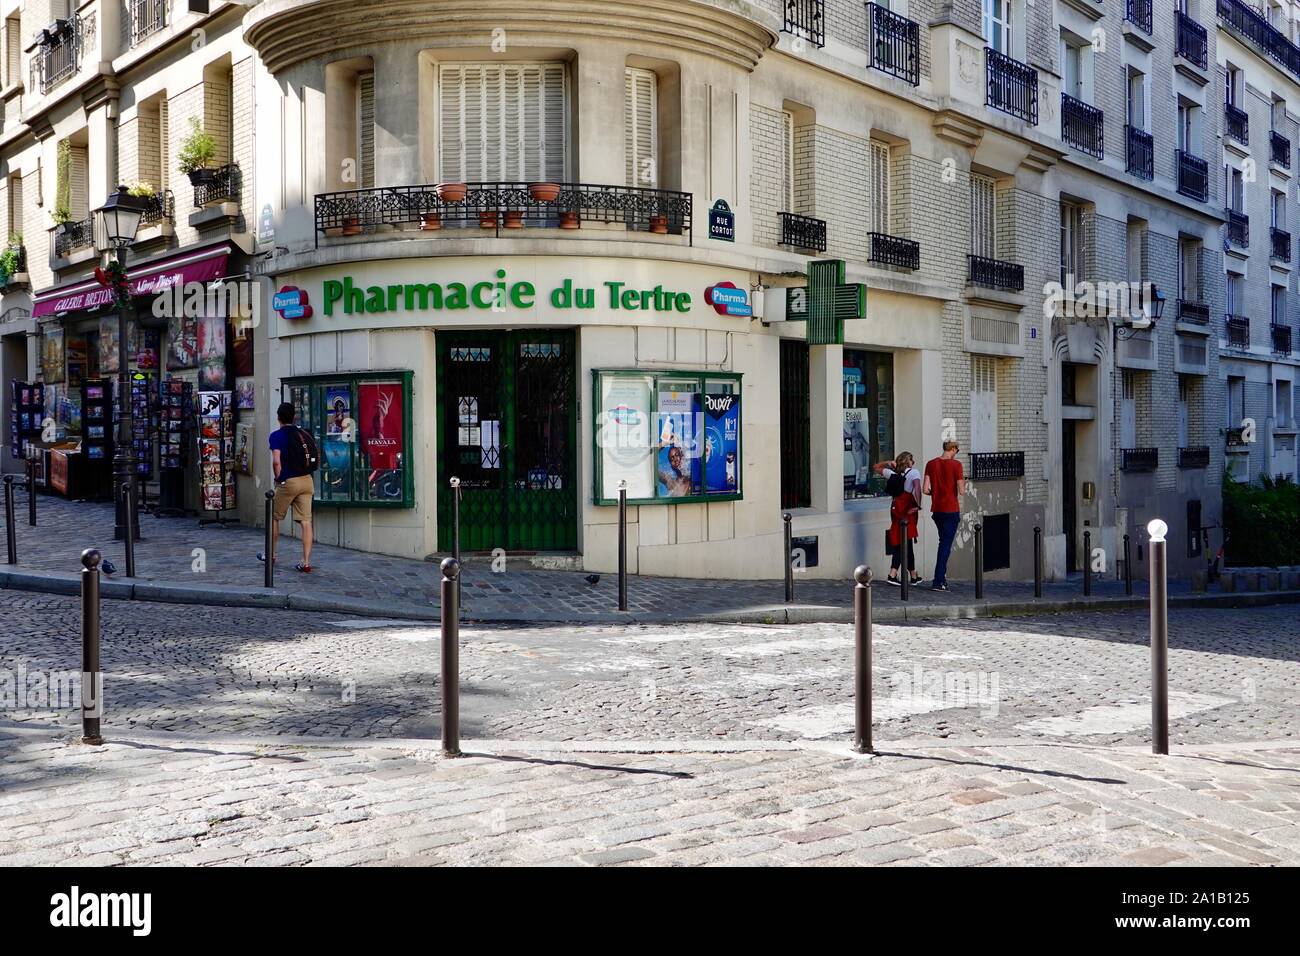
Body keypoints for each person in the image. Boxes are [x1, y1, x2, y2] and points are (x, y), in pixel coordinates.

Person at [259, 402, 315, 573]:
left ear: (279, 417)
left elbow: (276, 461)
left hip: (289, 481)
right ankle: (305, 562)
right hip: (307, 480)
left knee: (274, 517)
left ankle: (271, 554)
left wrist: (278, 477)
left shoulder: (277, 436)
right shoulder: (303, 433)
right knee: (306, 522)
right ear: (293, 417)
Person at [874, 453, 923, 587]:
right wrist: (918, 505)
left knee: (903, 541)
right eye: (912, 459)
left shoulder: (892, 474)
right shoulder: (914, 473)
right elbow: (917, 488)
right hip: (907, 510)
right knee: (905, 542)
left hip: (896, 509)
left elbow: (876, 467)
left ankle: (912, 574)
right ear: (908, 462)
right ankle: (893, 574)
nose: (914, 461)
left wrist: (888, 462)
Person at [923, 440, 966, 591]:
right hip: (951, 509)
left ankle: (942, 577)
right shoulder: (956, 465)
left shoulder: (931, 464)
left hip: (937, 510)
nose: (956, 453)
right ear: (953, 449)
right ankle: (938, 580)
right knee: (945, 546)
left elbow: (925, 489)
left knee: (943, 543)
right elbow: (961, 491)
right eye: (957, 450)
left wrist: (937, 493)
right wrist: (962, 482)